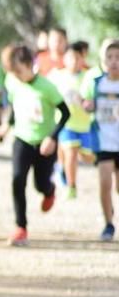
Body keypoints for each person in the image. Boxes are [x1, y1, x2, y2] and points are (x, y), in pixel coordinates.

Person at [2, 44, 70, 246]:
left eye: (18, 70)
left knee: (40, 184)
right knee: (17, 180)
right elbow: (15, 107)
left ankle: (49, 191)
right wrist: (8, 125)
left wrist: (52, 137)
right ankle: (21, 227)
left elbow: (65, 113)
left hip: (44, 143)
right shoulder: (13, 83)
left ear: (29, 64)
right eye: (12, 71)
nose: (15, 75)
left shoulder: (47, 87)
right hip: (22, 140)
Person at [80, 39, 119, 241]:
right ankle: (108, 224)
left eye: (118, 57)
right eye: (110, 57)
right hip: (103, 142)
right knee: (104, 183)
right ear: (104, 61)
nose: (114, 62)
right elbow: (85, 101)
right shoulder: (97, 83)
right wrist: (87, 105)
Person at [47, 43, 94, 198]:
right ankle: (71, 186)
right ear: (64, 59)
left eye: (77, 57)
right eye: (70, 58)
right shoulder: (56, 76)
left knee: (88, 158)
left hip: (85, 124)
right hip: (65, 124)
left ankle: (64, 169)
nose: (74, 61)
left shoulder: (89, 77)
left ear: (82, 59)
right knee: (71, 153)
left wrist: (86, 102)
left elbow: (92, 98)